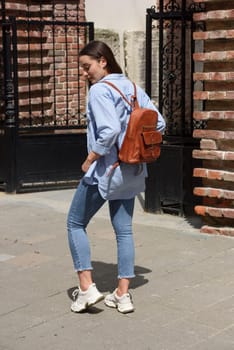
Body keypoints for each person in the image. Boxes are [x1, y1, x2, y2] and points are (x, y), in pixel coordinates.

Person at [67, 40, 165, 314]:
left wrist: (89, 159)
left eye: (87, 67)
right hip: (132, 170)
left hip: (105, 172)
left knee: (75, 223)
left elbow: (108, 131)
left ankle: (86, 289)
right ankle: (122, 295)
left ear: (103, 61)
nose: (85, 74)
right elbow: (160, 123)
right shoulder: (133, 88)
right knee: (124, 231)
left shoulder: (99, 91)